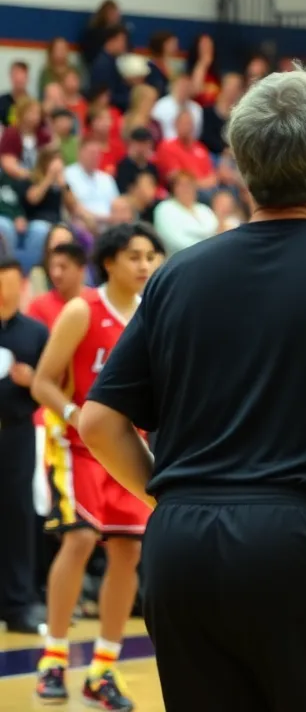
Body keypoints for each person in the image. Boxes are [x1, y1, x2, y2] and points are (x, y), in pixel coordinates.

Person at [74, 68, 306, 711]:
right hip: (301, 541)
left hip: (180, 550)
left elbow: (98, 423)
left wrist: (181, 499)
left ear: (242, 170)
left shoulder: (176, 277)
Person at [31, 223, 164, 709]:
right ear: (109, 261)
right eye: (134, 256)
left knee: (129, 551)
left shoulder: (154, 317)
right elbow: (44, 381)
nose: (145, 265)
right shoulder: (80, 310)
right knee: (82, 537)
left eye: (151, 256)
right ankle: (53, 659)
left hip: (127, 448)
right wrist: (75, 416)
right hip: (74, 443)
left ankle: (102, 670)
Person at [0, 256, 49, 636]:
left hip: (17, 433)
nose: (4, 290)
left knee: (18, 516)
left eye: (10, 282)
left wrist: (32, 381)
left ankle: (19, 605)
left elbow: (52, 388)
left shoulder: (35, 333)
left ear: (22, 285)